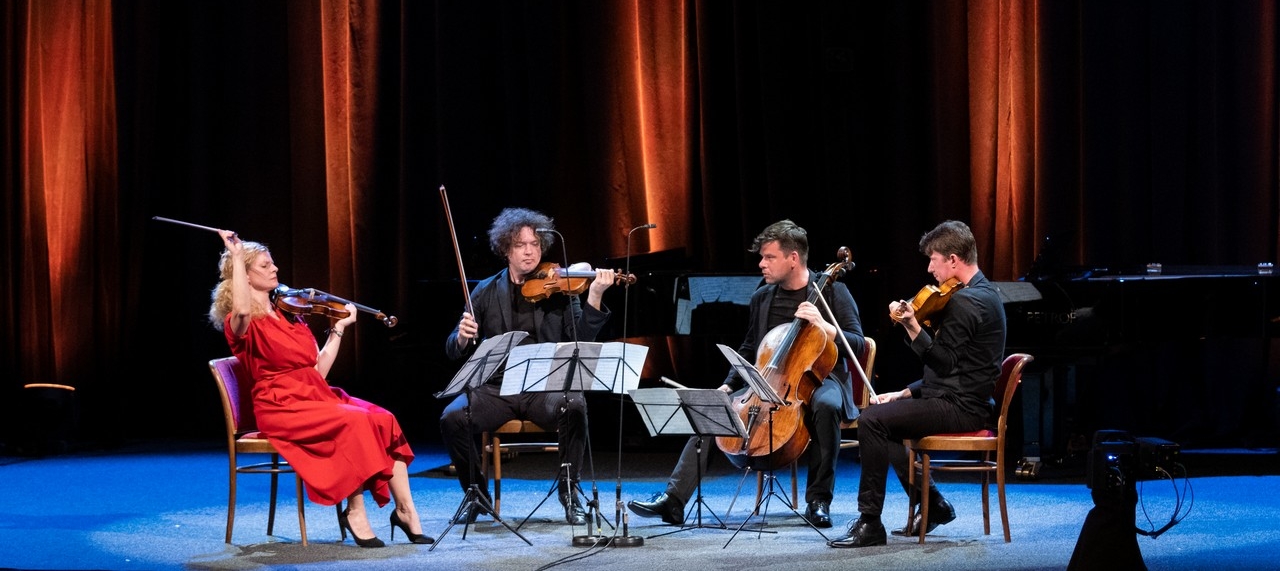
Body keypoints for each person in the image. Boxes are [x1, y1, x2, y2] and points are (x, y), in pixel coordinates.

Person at [628, 219, 864, 529]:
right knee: (714, 409)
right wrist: (728, 386)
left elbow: (858, 344)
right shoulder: (762, 297)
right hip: (770, 381)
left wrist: (824, 325)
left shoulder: (833, 291)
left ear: (793, 258)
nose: (761, 264)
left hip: (821, 378)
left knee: (827, 406)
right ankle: (674, 500)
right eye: (762, 257)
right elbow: (752, 346)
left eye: (769, 257)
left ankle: (819, 500)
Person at [208, 231, 429, 548]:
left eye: (273, 263)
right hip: (281, 406)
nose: (275, 269)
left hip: (314, 395)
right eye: (265, 265)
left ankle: (406, 511)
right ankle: (355, 512)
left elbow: (317, 372)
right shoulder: (239, 323)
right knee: (355, 421)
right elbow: (243, 311)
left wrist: (337, 329)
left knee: (384, 419)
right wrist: (237, 254)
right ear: (244, 275)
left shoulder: (290, 316)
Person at [830, 219, 1007, 548]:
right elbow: (958, 370)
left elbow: (943, 363)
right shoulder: (983, 292)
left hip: (961, 408)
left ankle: (870, 522)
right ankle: (934, 504)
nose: (929, 269)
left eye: (933, 260)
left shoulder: (967, 301)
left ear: (953, 259)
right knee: (884, 421)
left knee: (871, 420)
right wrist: (904, 393)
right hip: (963, 400)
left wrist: (912, 326)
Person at [440, 207, 615, 526]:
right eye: (521, 244)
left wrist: (595, 296)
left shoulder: (560, 288)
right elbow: (453, 347)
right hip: (498, 389)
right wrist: (463, 337)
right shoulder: (486, 290)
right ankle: (476, 495)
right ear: (506, 249)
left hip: (544, 388)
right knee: (452, 417)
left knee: (575, 405)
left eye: (535, 244)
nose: (529, 251)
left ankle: (569, 492)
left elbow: (582, 339)